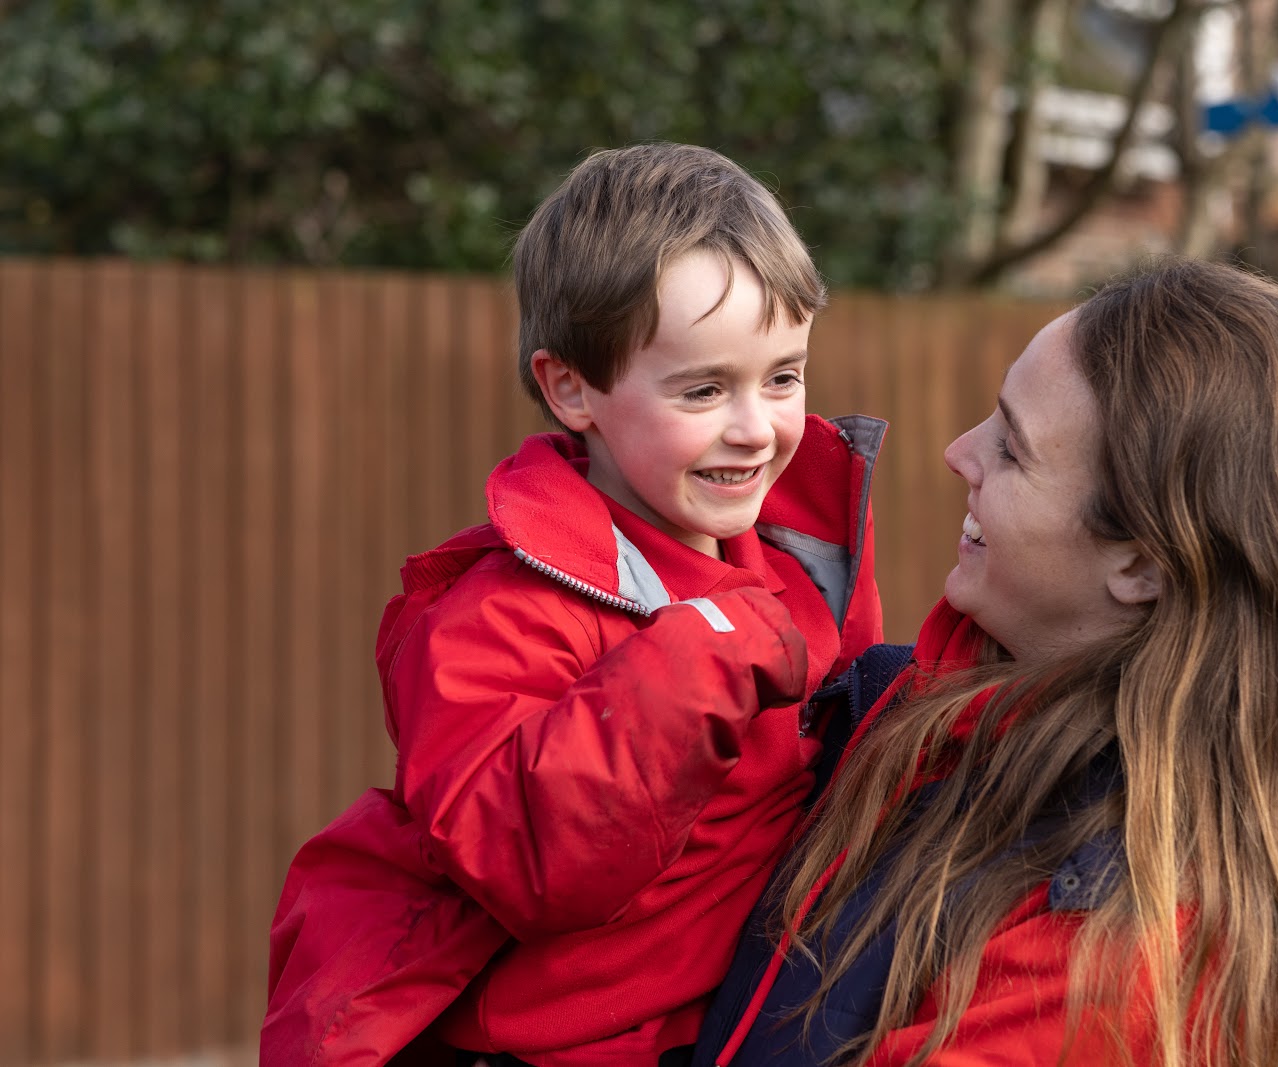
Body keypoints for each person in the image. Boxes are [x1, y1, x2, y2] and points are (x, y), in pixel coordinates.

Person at [262, 144, 885, 1067]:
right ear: (572, 388)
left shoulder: (802, 560)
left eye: (783, 377)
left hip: (737, 1019)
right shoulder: (503, 608)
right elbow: (520, 855)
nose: (757, 427)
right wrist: (701, 652)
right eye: (704, 389)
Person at [693, 258, 1278, 1067]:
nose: (958, 453)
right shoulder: (910, 718)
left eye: (1013, 451)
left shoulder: (1112, 949)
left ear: (1142, 564)